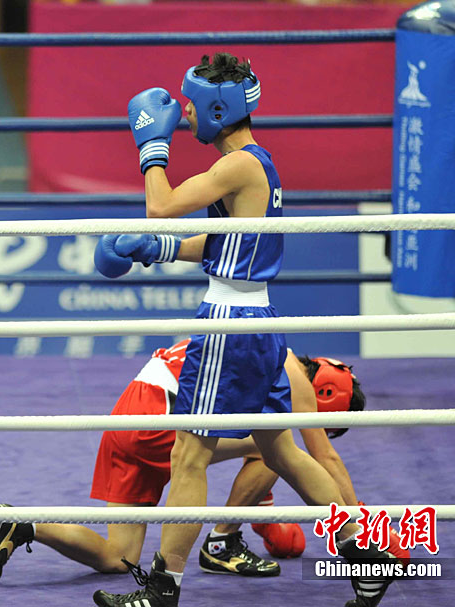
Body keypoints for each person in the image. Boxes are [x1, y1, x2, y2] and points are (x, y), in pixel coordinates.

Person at [84, 53, 397, 607]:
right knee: (281, 453)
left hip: (229, 327)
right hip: (259, 323)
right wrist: (157, 251)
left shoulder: (236, 167)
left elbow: (160, 205)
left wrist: (151, 146)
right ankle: (368, 558)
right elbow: (223, 243)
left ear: (218, 110)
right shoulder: (258, 165)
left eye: (191, 103)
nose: (183, 112)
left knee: (188, 456)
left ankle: (162, 589)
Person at [0, 341, 407, 583]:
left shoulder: (262, 349)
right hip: (157, 420)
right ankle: (222, 542)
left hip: (128, 418)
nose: (322, 430)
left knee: (118, 557)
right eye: (327, 424)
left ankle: (23, 524)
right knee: (279, 449)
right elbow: (323, 458)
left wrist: (262, 510)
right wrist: (370, 532)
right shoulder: (292, 375)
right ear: (326, 395)